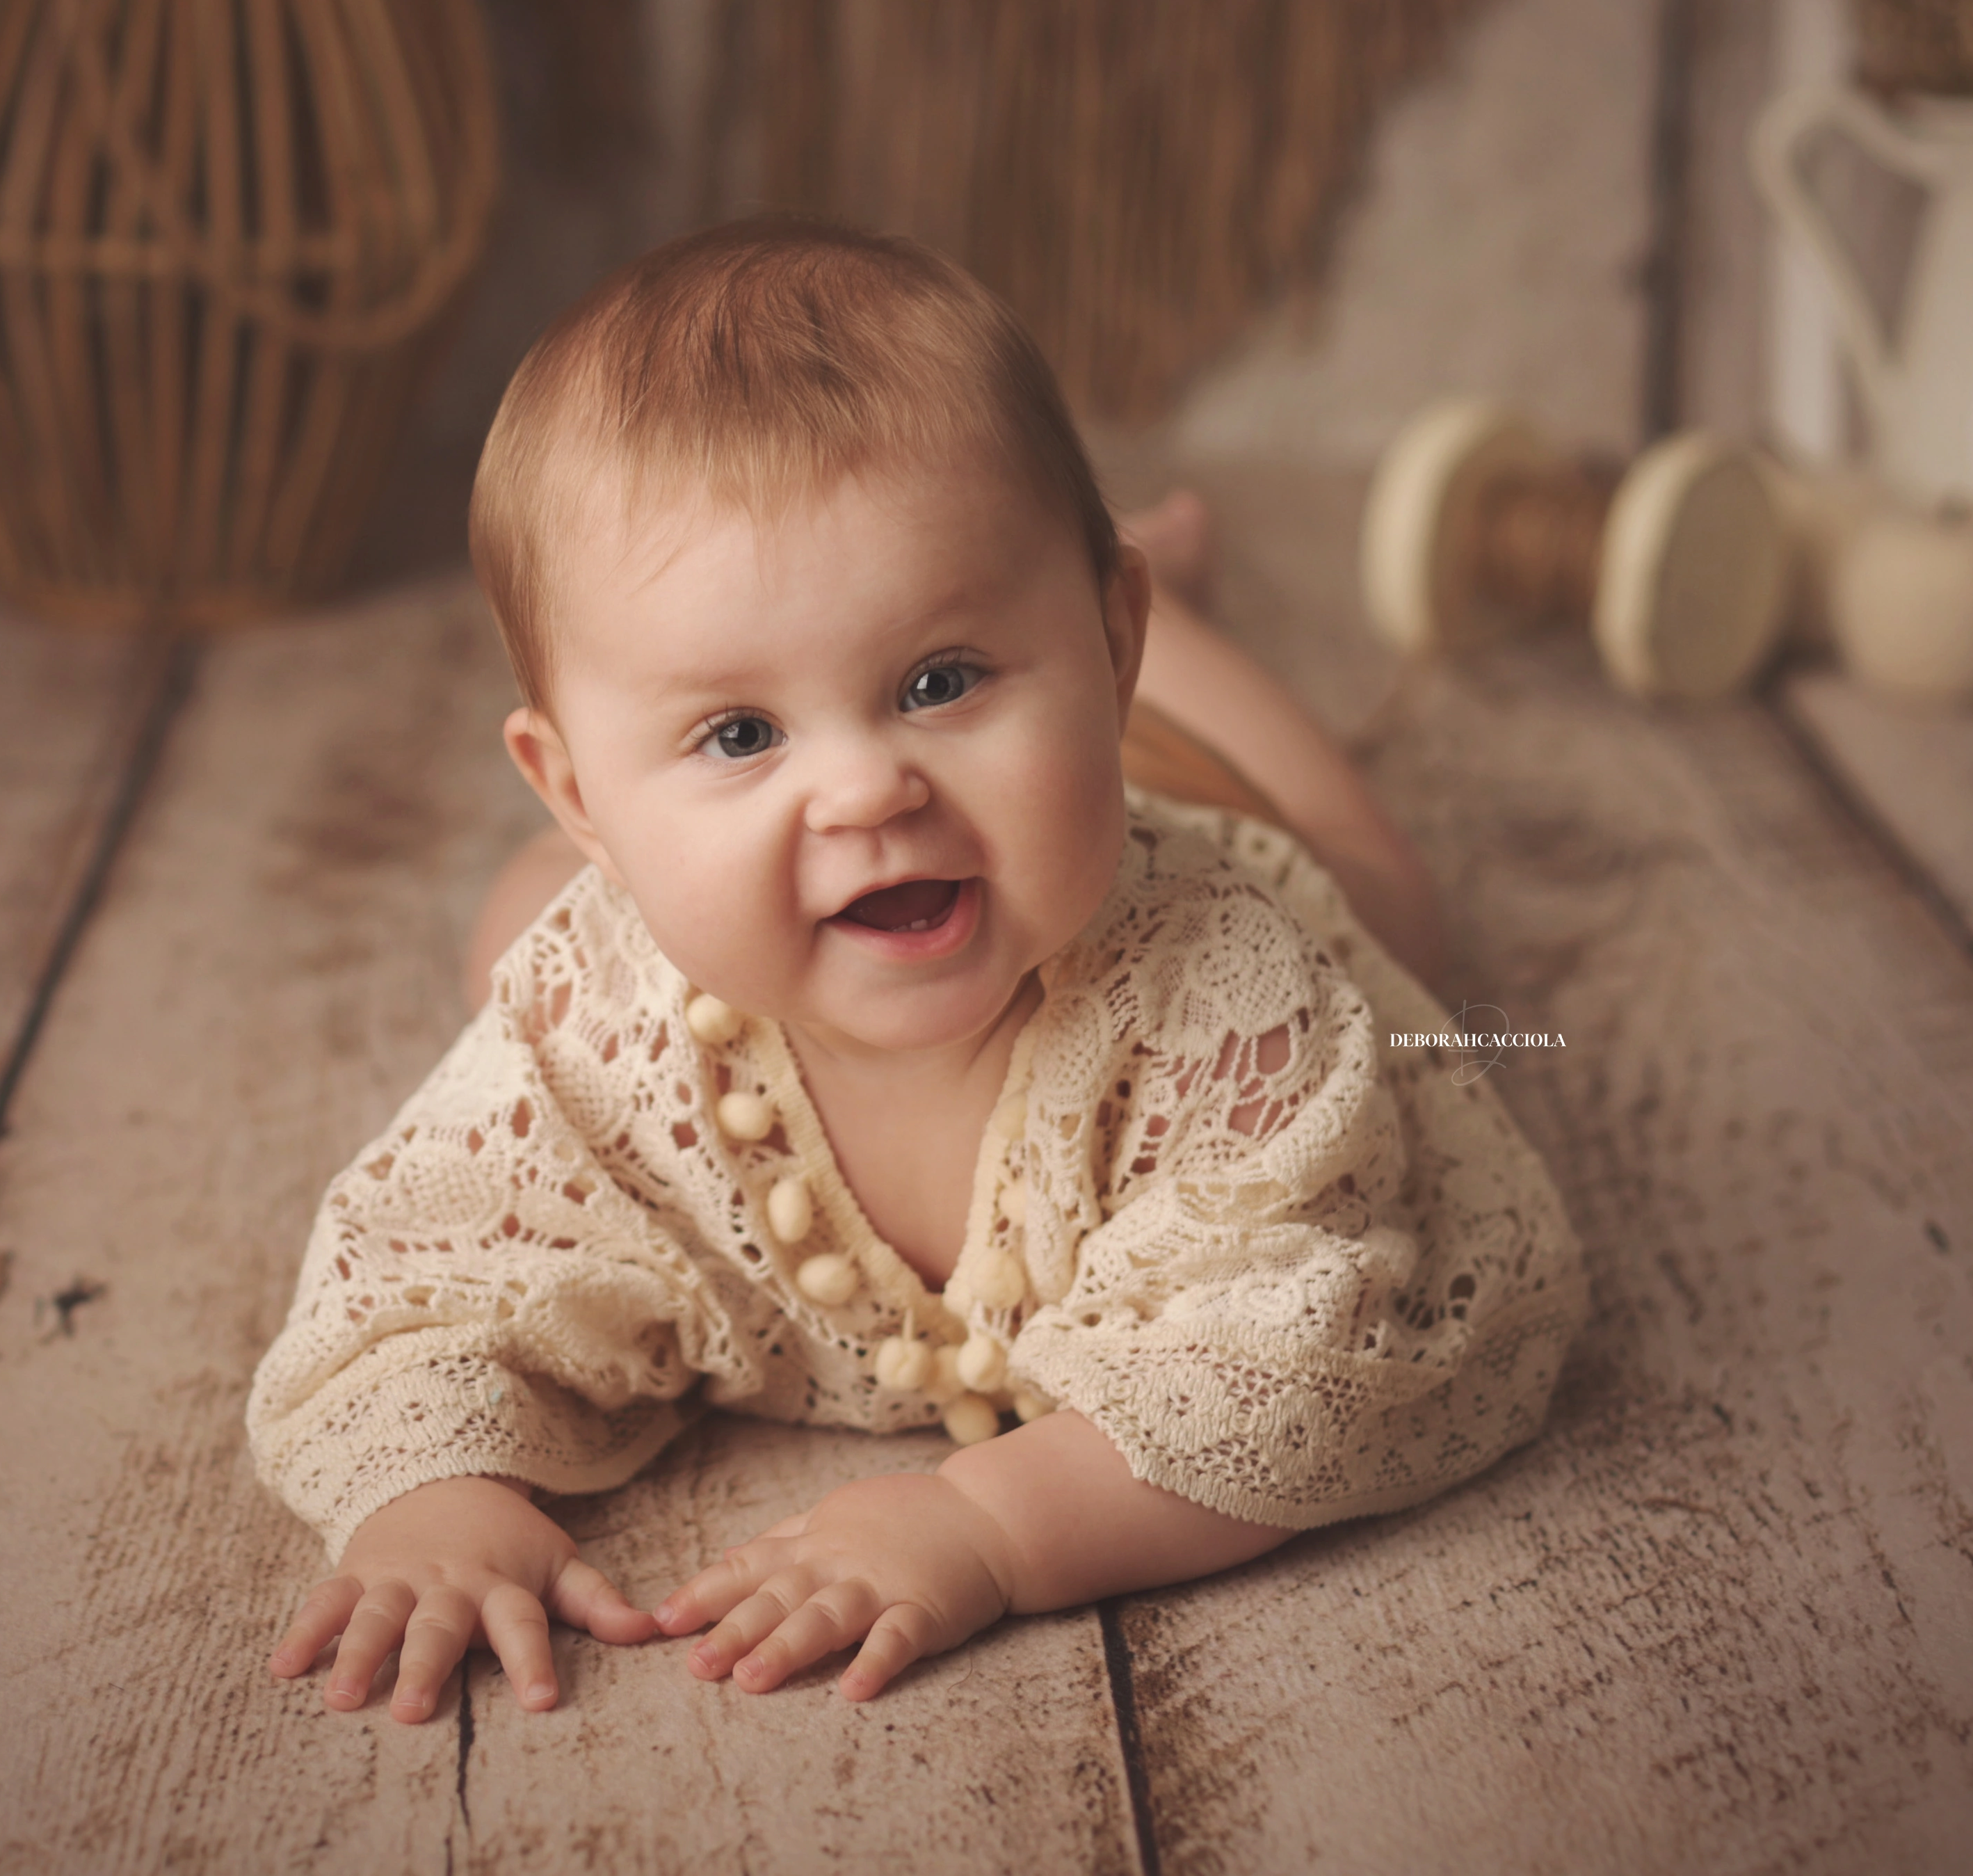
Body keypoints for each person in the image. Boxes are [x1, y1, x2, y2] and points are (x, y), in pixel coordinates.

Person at [250, 218, 1582, 1721]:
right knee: (522, 937)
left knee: (1385, 895)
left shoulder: (1232, 998)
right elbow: (427, 1275)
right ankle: (798, 745)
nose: (868, 790)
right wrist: (432, 1492)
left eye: (939, 681)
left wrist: (986, 1523)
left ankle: (1183, 623)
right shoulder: (601, 1025)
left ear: (1103, 637)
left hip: (1183, 795)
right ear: (570, 789)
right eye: (740, 732)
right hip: (677, 880)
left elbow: (1295, 1366)